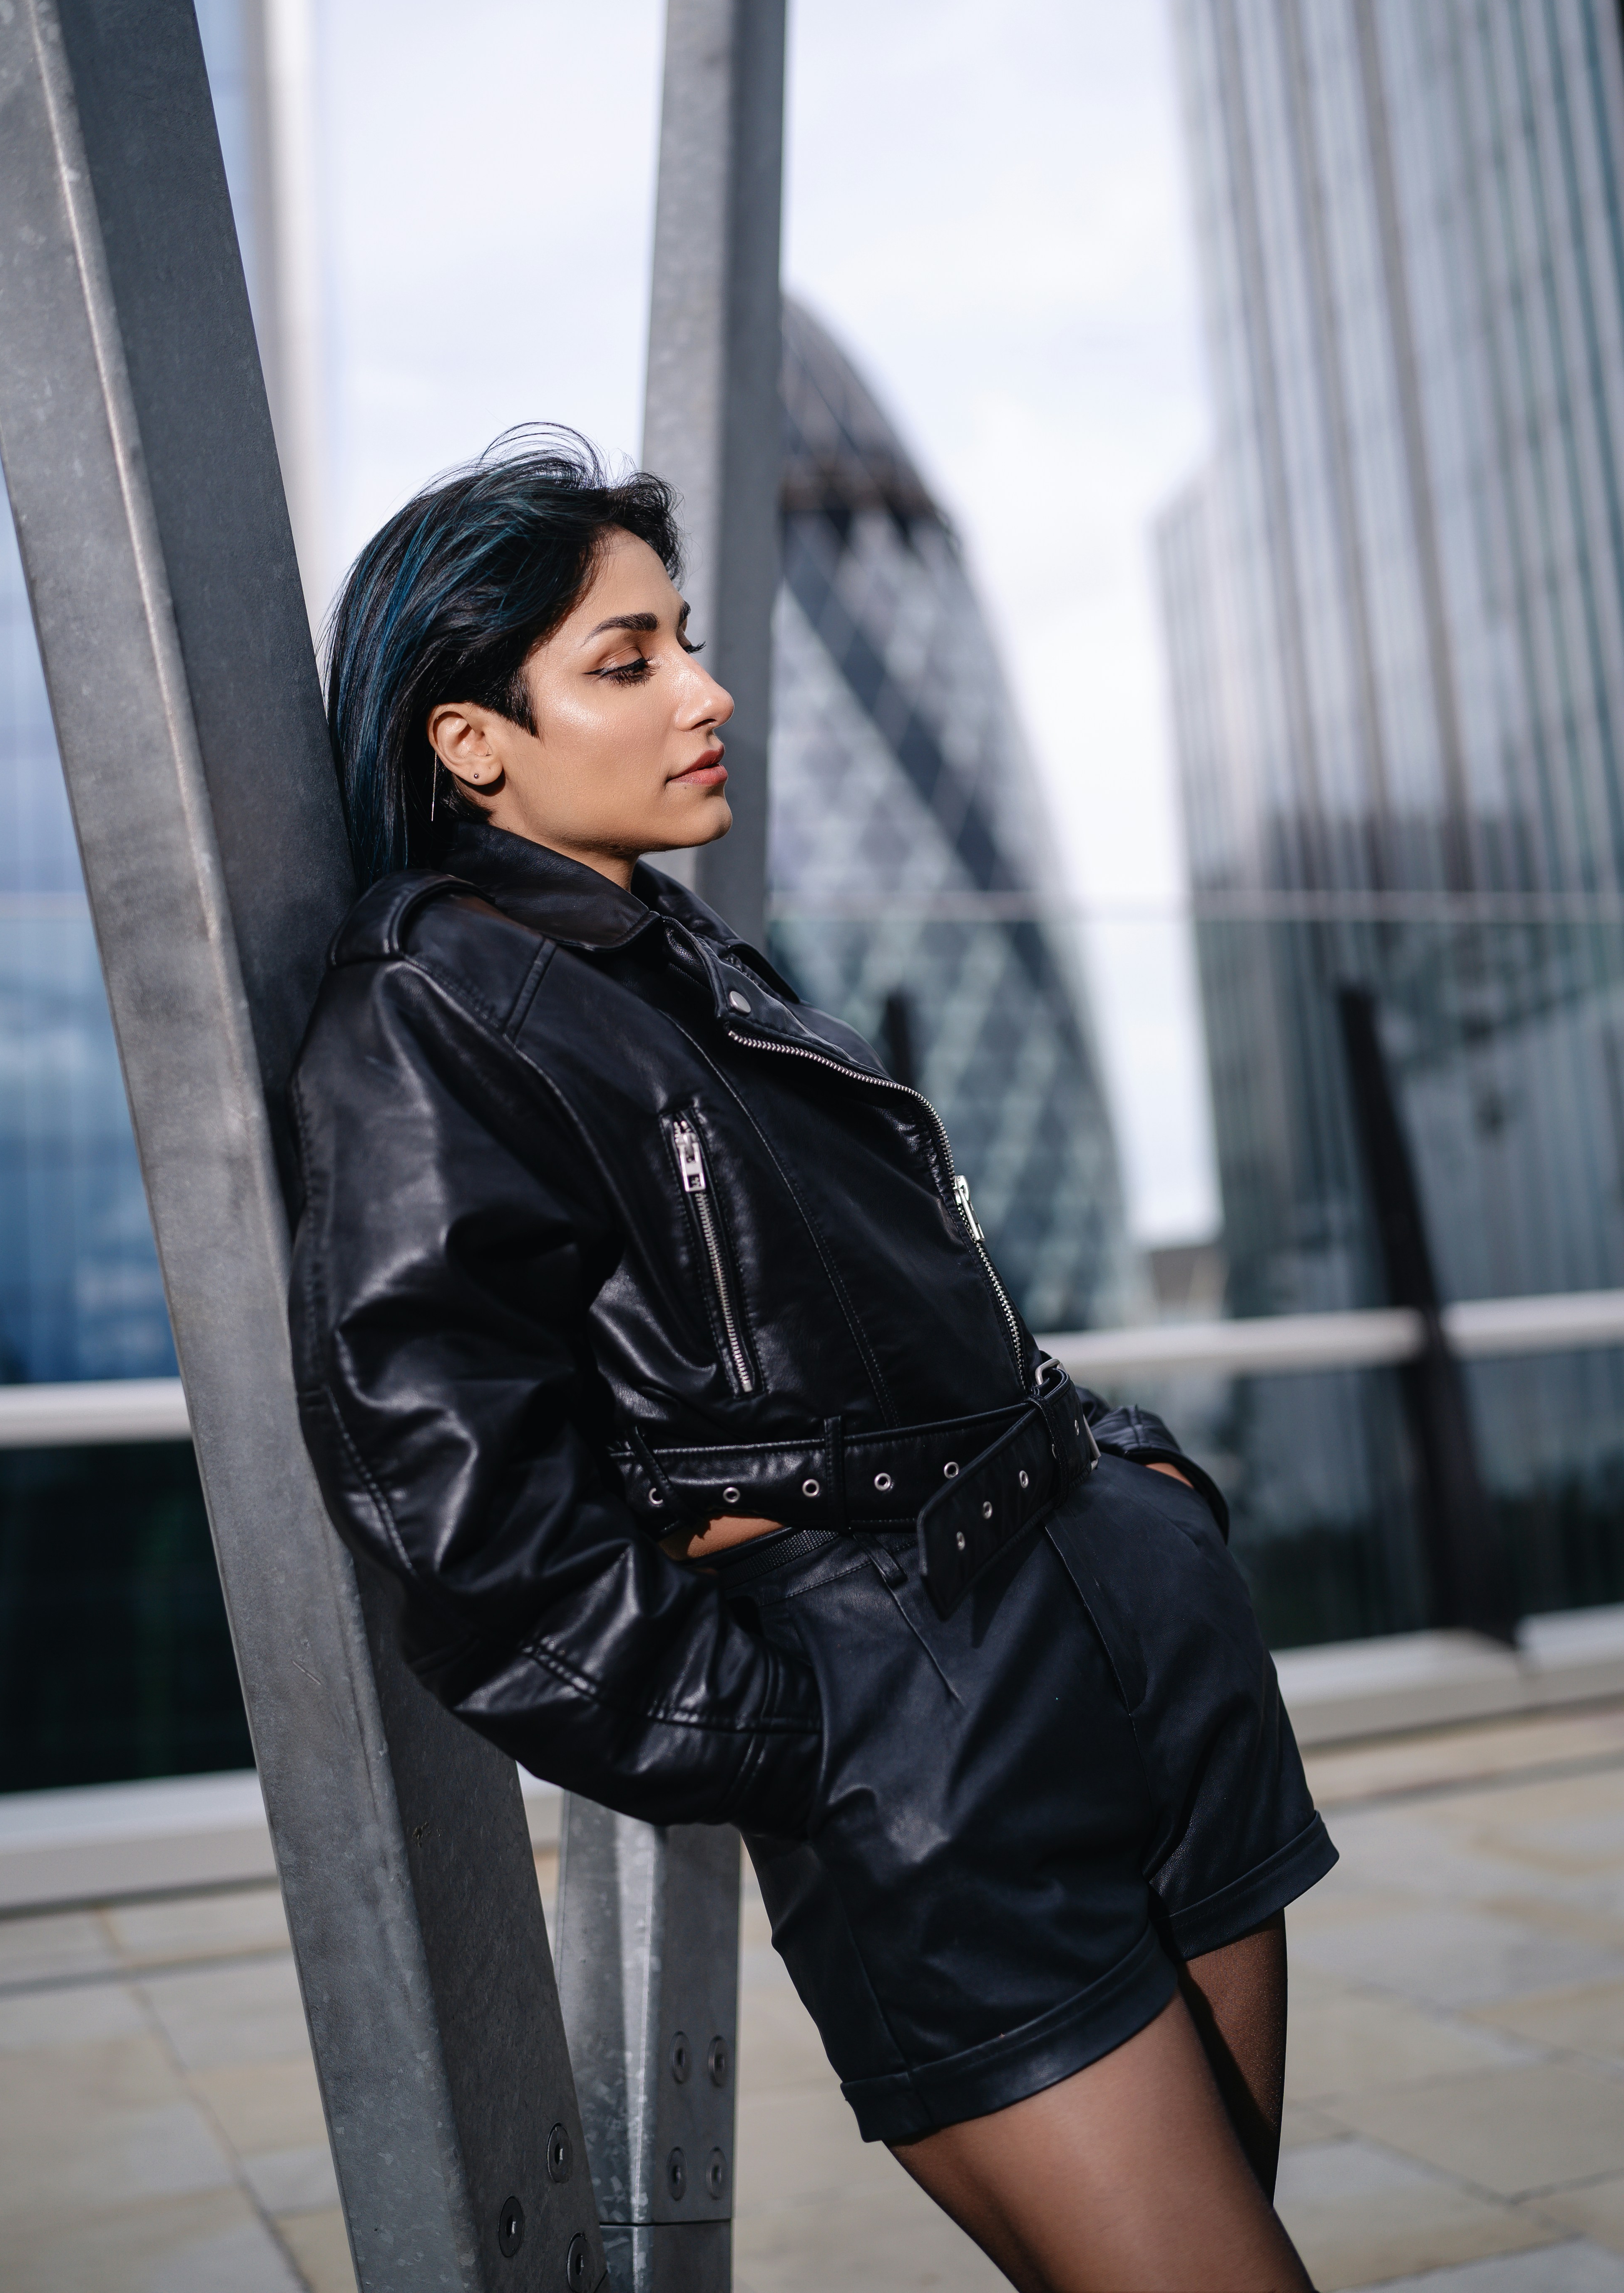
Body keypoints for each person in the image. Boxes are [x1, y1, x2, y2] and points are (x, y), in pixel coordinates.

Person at [289, 432, 1335, 2292]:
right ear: (471, 739)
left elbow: (918, 1300)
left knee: (1234, 2241)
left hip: (1137, 1642)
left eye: (682, 638)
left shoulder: (692, 965)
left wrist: (1139, 1475)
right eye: (626, 662)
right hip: (927, 1736)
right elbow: (458, 1515)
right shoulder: (436, 1012)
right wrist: (799, 1733)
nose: (706, 690)